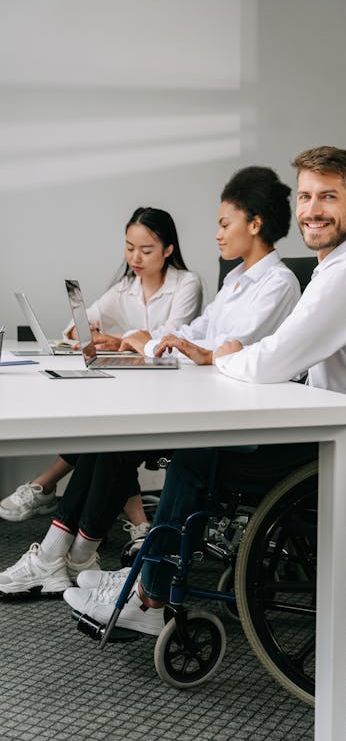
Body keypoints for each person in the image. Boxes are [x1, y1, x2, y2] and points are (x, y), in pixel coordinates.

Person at [63, 144, 346, 637]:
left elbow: (271, 360)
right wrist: (215, 352)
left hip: (343, 443)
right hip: (334, 425)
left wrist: (217, 355)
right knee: (199, 447)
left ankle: (151, 596)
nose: (311, 210)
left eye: (327, 197)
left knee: (198, 456)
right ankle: (148, 576)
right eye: (306, 196)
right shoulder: (340, 268)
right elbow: (263, 354)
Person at [0, 166, 301, 597]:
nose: (216, 234)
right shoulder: (236, 280)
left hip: (232, 418)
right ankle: (63, 554)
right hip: (206, 400)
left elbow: (233, 351)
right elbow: (197, 334)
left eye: (223, 223)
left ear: (255, 224)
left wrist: (155, 344)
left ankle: (63, 555)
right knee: (107, 436)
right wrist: (148, 343)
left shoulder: (278, 283)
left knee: (112, 437)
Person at [0, 207, 202, 533]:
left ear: (168, 250)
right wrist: (92, 334)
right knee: (104, 424)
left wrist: (117, 338)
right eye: (129, 247)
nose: (135, 257)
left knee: (107, 434)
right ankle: (137, 524)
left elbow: (169, 340)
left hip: (176, 391)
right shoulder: (125, 287)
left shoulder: (186, 284)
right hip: (140, 389)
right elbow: (72, 330)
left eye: (146, 250)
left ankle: (46, 486)